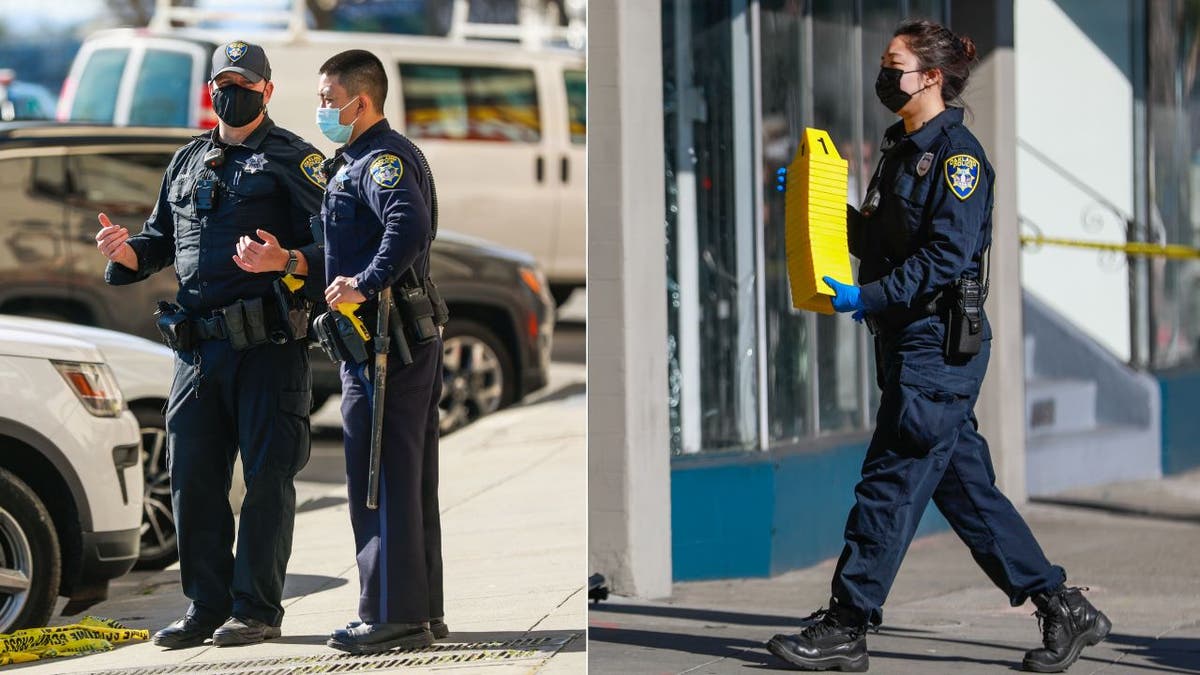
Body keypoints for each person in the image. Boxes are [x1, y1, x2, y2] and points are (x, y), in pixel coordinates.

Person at [766, 20, 1110, 673]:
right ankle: (1064, 606)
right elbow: (880, 239)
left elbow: (947, 257)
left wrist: (866, 298)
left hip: (936, 347)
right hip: (905, 341)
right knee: (966, 490)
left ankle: (846, 623)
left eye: (893, 65)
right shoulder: (902, 147)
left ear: (930, 76)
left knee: (891, 479)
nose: (882, 75)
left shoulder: (958, 157)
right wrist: (818, 208)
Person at [94, 40, 327, 649]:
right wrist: (126, 255)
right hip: (198, 352)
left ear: (267, 91)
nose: (232, 91)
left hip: (269, 349)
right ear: (210, 91)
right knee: (192, 480)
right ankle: (205, 606)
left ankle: (257, 610)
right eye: (224, 81)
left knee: (268, 479)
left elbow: (337, 250)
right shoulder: (188, 159)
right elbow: (158, 239)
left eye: (245, 82)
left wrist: (287, 260)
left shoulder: (295, 161)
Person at [313, 49, 447, 654]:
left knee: (379, 480)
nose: (322, 110)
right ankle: (421, 610)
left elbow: (408, 225)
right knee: (408, 478)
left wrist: (363, 282)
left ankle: (391, 614)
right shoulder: (376, 156)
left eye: (326, 99)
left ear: (358, 101)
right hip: (395, 340)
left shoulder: (382, 160)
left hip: (383, 343)